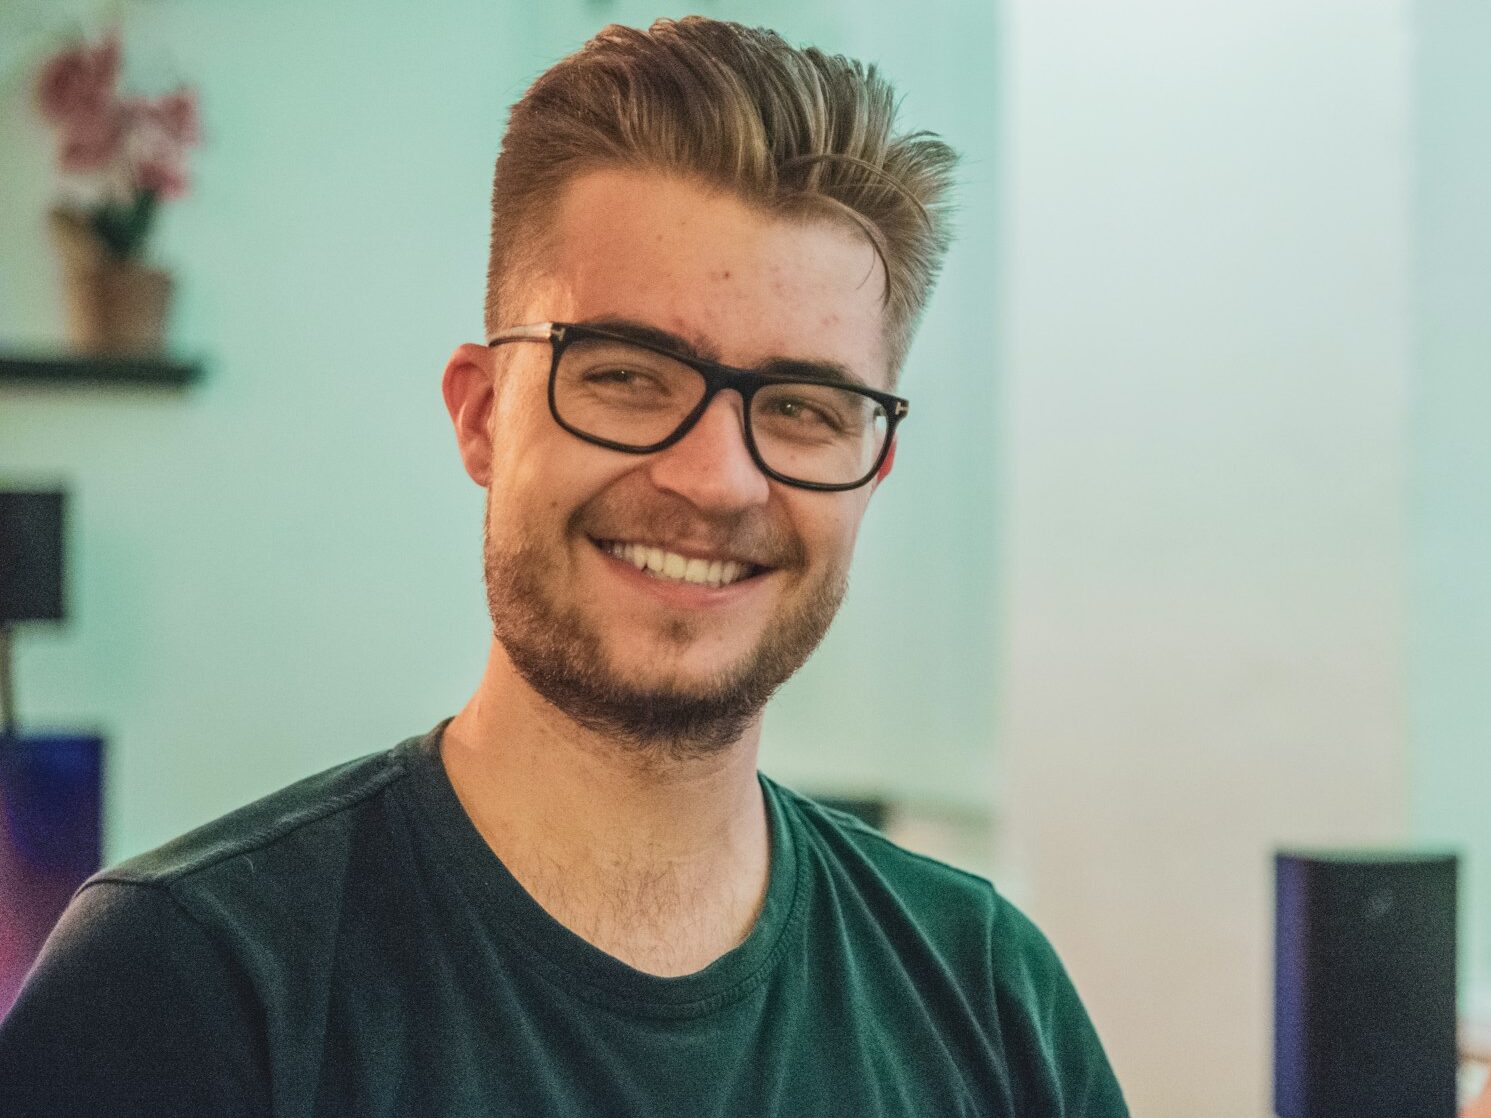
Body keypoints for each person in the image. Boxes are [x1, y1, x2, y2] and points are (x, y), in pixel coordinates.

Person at [0, 17, 1127, 1116]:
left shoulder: (990, 996)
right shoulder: (188, 987)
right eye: (629, 374)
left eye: (802, 408)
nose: (718, 480)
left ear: (873, 471)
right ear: (484, 415)